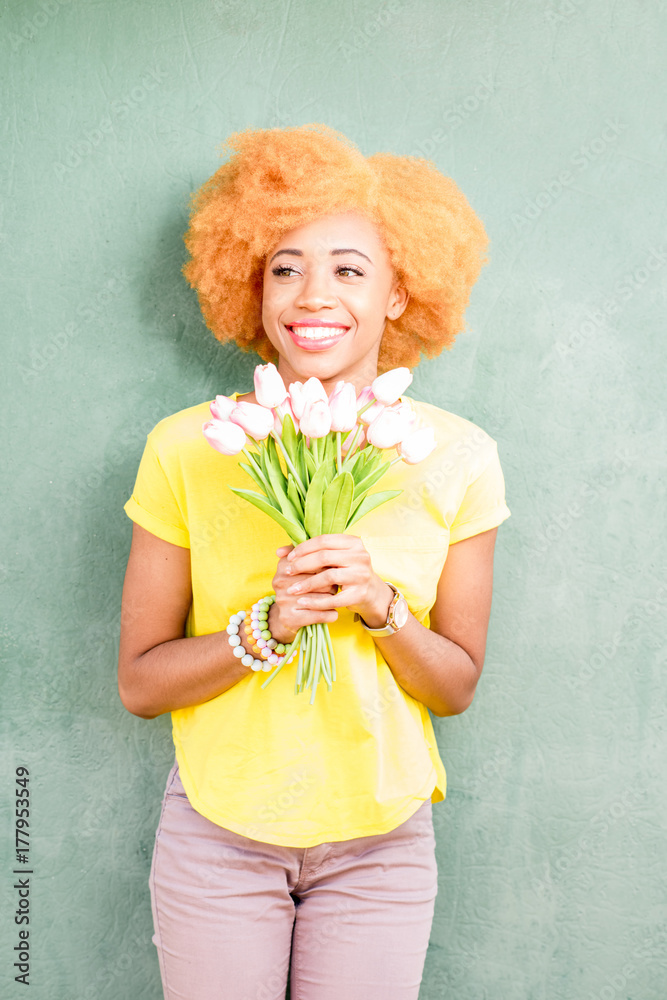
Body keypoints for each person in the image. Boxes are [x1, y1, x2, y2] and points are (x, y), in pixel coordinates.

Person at [118, 123, 511, 1000]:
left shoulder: (460, 456)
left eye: (348, 269)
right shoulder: (189, 448)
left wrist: (379, 605)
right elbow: (141, 685)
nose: (311, 295)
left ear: (400, 295)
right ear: (250, 289)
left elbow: (455, 686)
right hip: (217, 833)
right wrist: (265, 625)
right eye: (284, 267)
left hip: (382, 843)